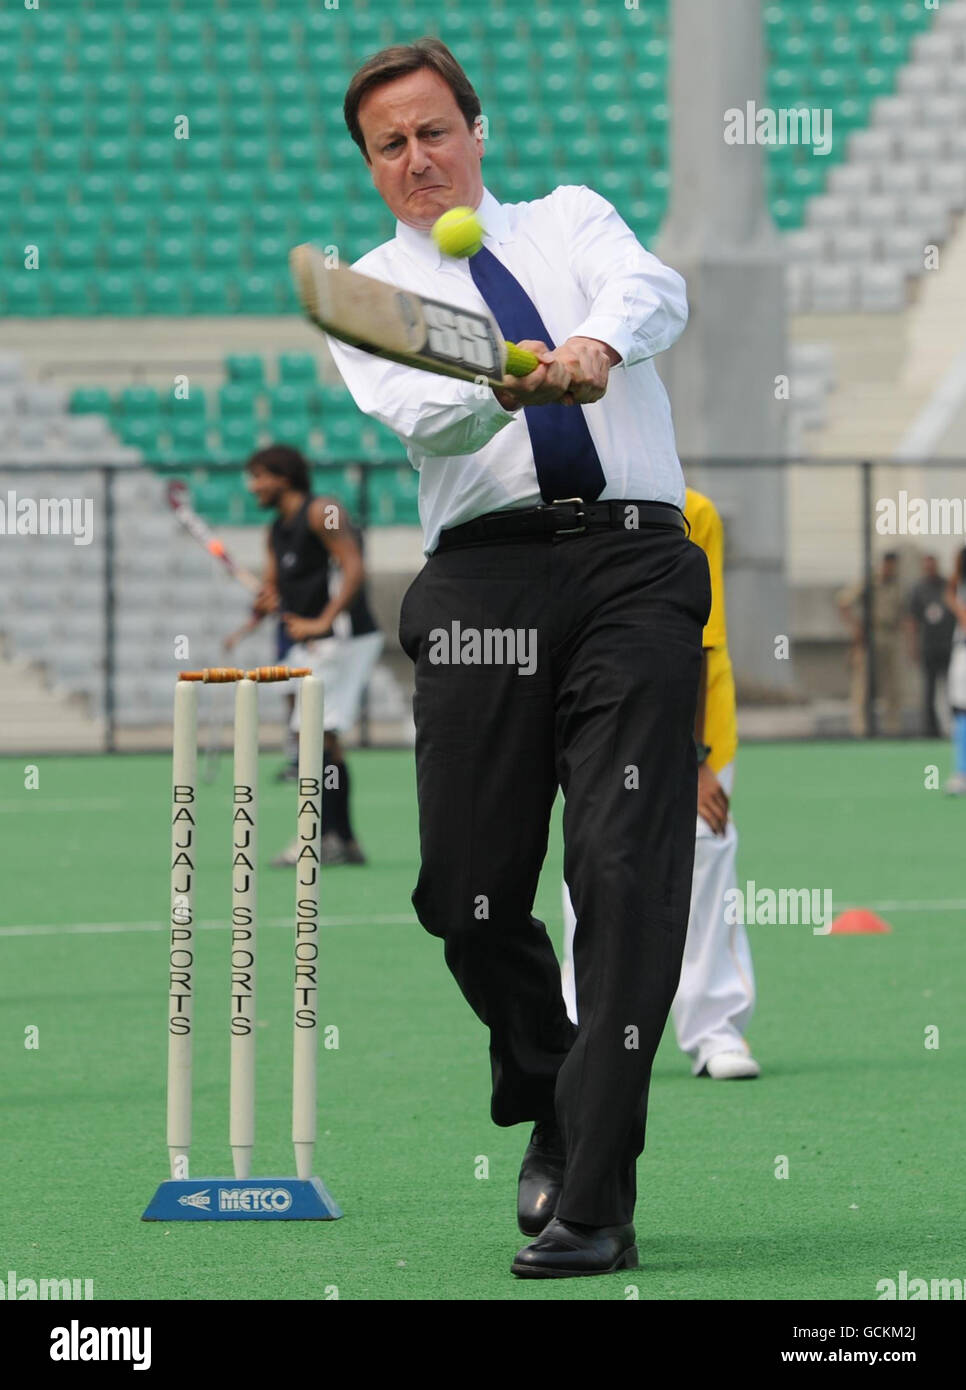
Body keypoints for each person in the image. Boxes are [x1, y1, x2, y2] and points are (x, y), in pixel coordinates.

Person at [322, 38, 709, 1278]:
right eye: (391, 145)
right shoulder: (370, 288)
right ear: (374, 169)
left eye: (435, 130)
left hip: (635, 576)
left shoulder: (570, 217)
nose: (418, 159)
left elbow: (652, 290)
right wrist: (509, 380)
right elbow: (417, 410)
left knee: (623, 869)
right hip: (486, 580)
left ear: (476, 130)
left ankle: (594, 1194)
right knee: (468, 888)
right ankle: (551, 1088)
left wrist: (593, 347)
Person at [561, 488, 758, 1080]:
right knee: (592, 856)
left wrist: (694, 758)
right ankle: (576, 1024)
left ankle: (714, 1028)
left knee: (706, 847)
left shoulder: (691, 509)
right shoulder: (564, 506)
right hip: (600, 714)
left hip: (692, 721)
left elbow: (701, 640)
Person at [238, 445, 383, 865]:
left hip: (343, 635)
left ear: (284, 477)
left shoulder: (323, 511)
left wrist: (323, 620)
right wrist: (259, 610)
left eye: (259, 476)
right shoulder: (274, 531)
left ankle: (322, 839)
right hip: (314, 641)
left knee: (313, 736)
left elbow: (353, 567)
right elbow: (273, 592)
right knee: (320, 740)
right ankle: (343, 840)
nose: (253, 487)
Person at [837, 552, 903, 736]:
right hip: (870, 635)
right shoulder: (868, 583)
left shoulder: (896, 585)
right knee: (862, 686)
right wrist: (855, 628)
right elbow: (843, 601)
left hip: (890, 636)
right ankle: (860, 729)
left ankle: (892, 729)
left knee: (892, 686)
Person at [905, 554, 955, 739]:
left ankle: (953, 729)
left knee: (952, 690)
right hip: (928, 647)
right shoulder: (918, 589)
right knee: (929, 691)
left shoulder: (948, 586)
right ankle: (930, 731)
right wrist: (912, 646)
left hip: (948, 646)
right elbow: (911, 620)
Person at [945, 546, 966, 795]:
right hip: (960, 652)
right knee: (960, 713)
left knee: (961, 713)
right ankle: (961, 771)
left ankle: (961, 773)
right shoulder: (959, 586)